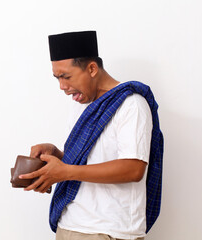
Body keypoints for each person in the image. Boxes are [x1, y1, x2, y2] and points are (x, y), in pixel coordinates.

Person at [19, 31, 163, 240]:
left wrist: (65, 171)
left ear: (92, 68)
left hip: (108, 231)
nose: (62, 86)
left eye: (66, 76)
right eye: (57, 78)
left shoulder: (131, 104)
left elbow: (133, 169)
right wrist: (57, 155)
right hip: (69, 224)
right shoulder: (82, 104)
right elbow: (86, 162)